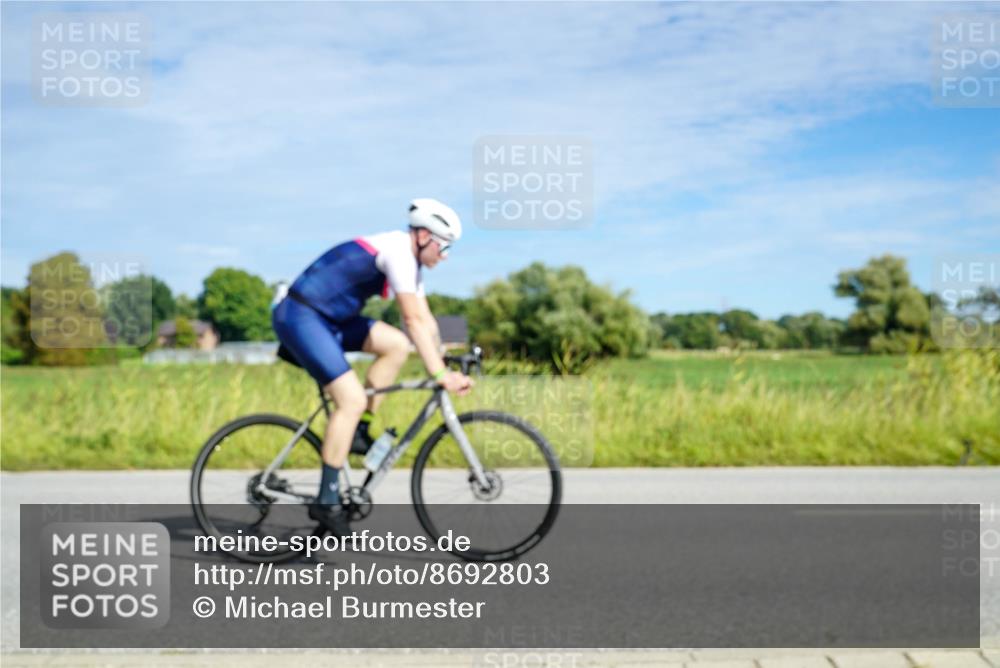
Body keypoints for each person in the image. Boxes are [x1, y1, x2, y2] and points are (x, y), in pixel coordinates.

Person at [272, 198, 474, 536]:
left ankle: (360, 431)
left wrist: (445, 360)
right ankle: (327, 500)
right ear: (424, 236)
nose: (446, 255)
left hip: (330, 321)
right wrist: (440, 374)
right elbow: (412, 319)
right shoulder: (399, 253)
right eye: (444, 246)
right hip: (301, 317)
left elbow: (424, 319)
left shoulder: (411, 264)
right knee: (350, 400)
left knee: (396, 345)